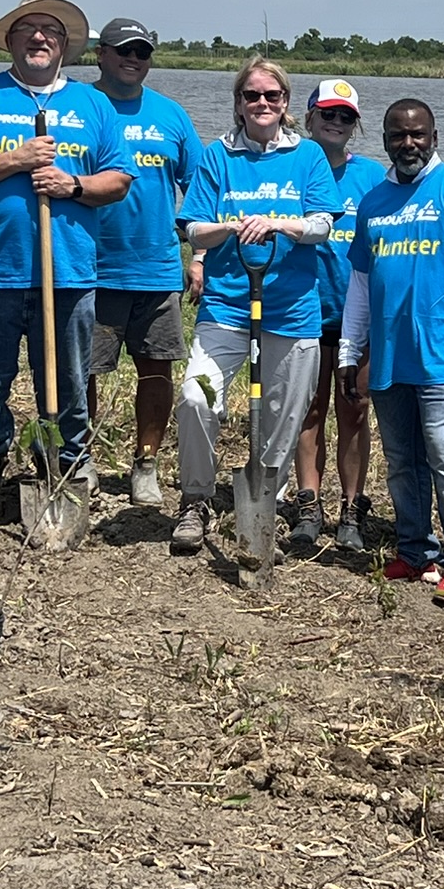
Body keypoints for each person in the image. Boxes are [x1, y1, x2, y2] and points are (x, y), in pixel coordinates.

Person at [0, 0, 134, 529]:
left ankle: (61, 479)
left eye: (50, 30)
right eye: (27, 30)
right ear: (11, 41)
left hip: (66, 274)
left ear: (64, 44)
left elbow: (118, 180)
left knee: (67, 386)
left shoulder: (94, 107)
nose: (39, 38)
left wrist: (72, 184)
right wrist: (15, 160)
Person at [338, 99, 444, 605]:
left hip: (443, 355)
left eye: (417, 134)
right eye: (397, 135)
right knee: (400, 460)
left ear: (434, 136)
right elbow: (361, 286)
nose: (407, 143)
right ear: (385, 139)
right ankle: (415, 550)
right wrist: (351, 350)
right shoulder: (374, 202)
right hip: (391, 357)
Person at [170, 58, 342, 554]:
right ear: (239, 103)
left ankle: (266, 493)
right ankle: (196, 498)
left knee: (281, 414)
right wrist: (232, 227)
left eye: (271, 95)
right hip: (226, 306)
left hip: (291, 310)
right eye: (252, 95)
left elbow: (322, 226)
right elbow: (193, 228)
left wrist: (279, 223)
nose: (262, 104)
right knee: (196, 397)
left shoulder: (307, 156)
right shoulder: (216, 157)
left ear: (286, 103)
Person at [85, 18, 202, 509]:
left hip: (155, 269)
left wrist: (198, 255)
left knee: (155, 372)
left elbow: (199, 190)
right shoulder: (79, 107)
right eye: (122, 50)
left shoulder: (171, 116)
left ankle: (146, 465)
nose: (133, 59)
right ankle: (79, 459)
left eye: (142, 52)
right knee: (82, 372)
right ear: (101, 55)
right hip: (89, 267)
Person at [291, 79, 385, 551]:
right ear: (307, 117)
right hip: (302, 310)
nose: (335, 121)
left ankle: (352, 506)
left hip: (357, 316)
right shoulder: (293, 166)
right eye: (327, 112)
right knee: (307, 410)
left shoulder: (372, 176)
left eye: (346, 115)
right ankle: (308, 502)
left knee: (354, 408)